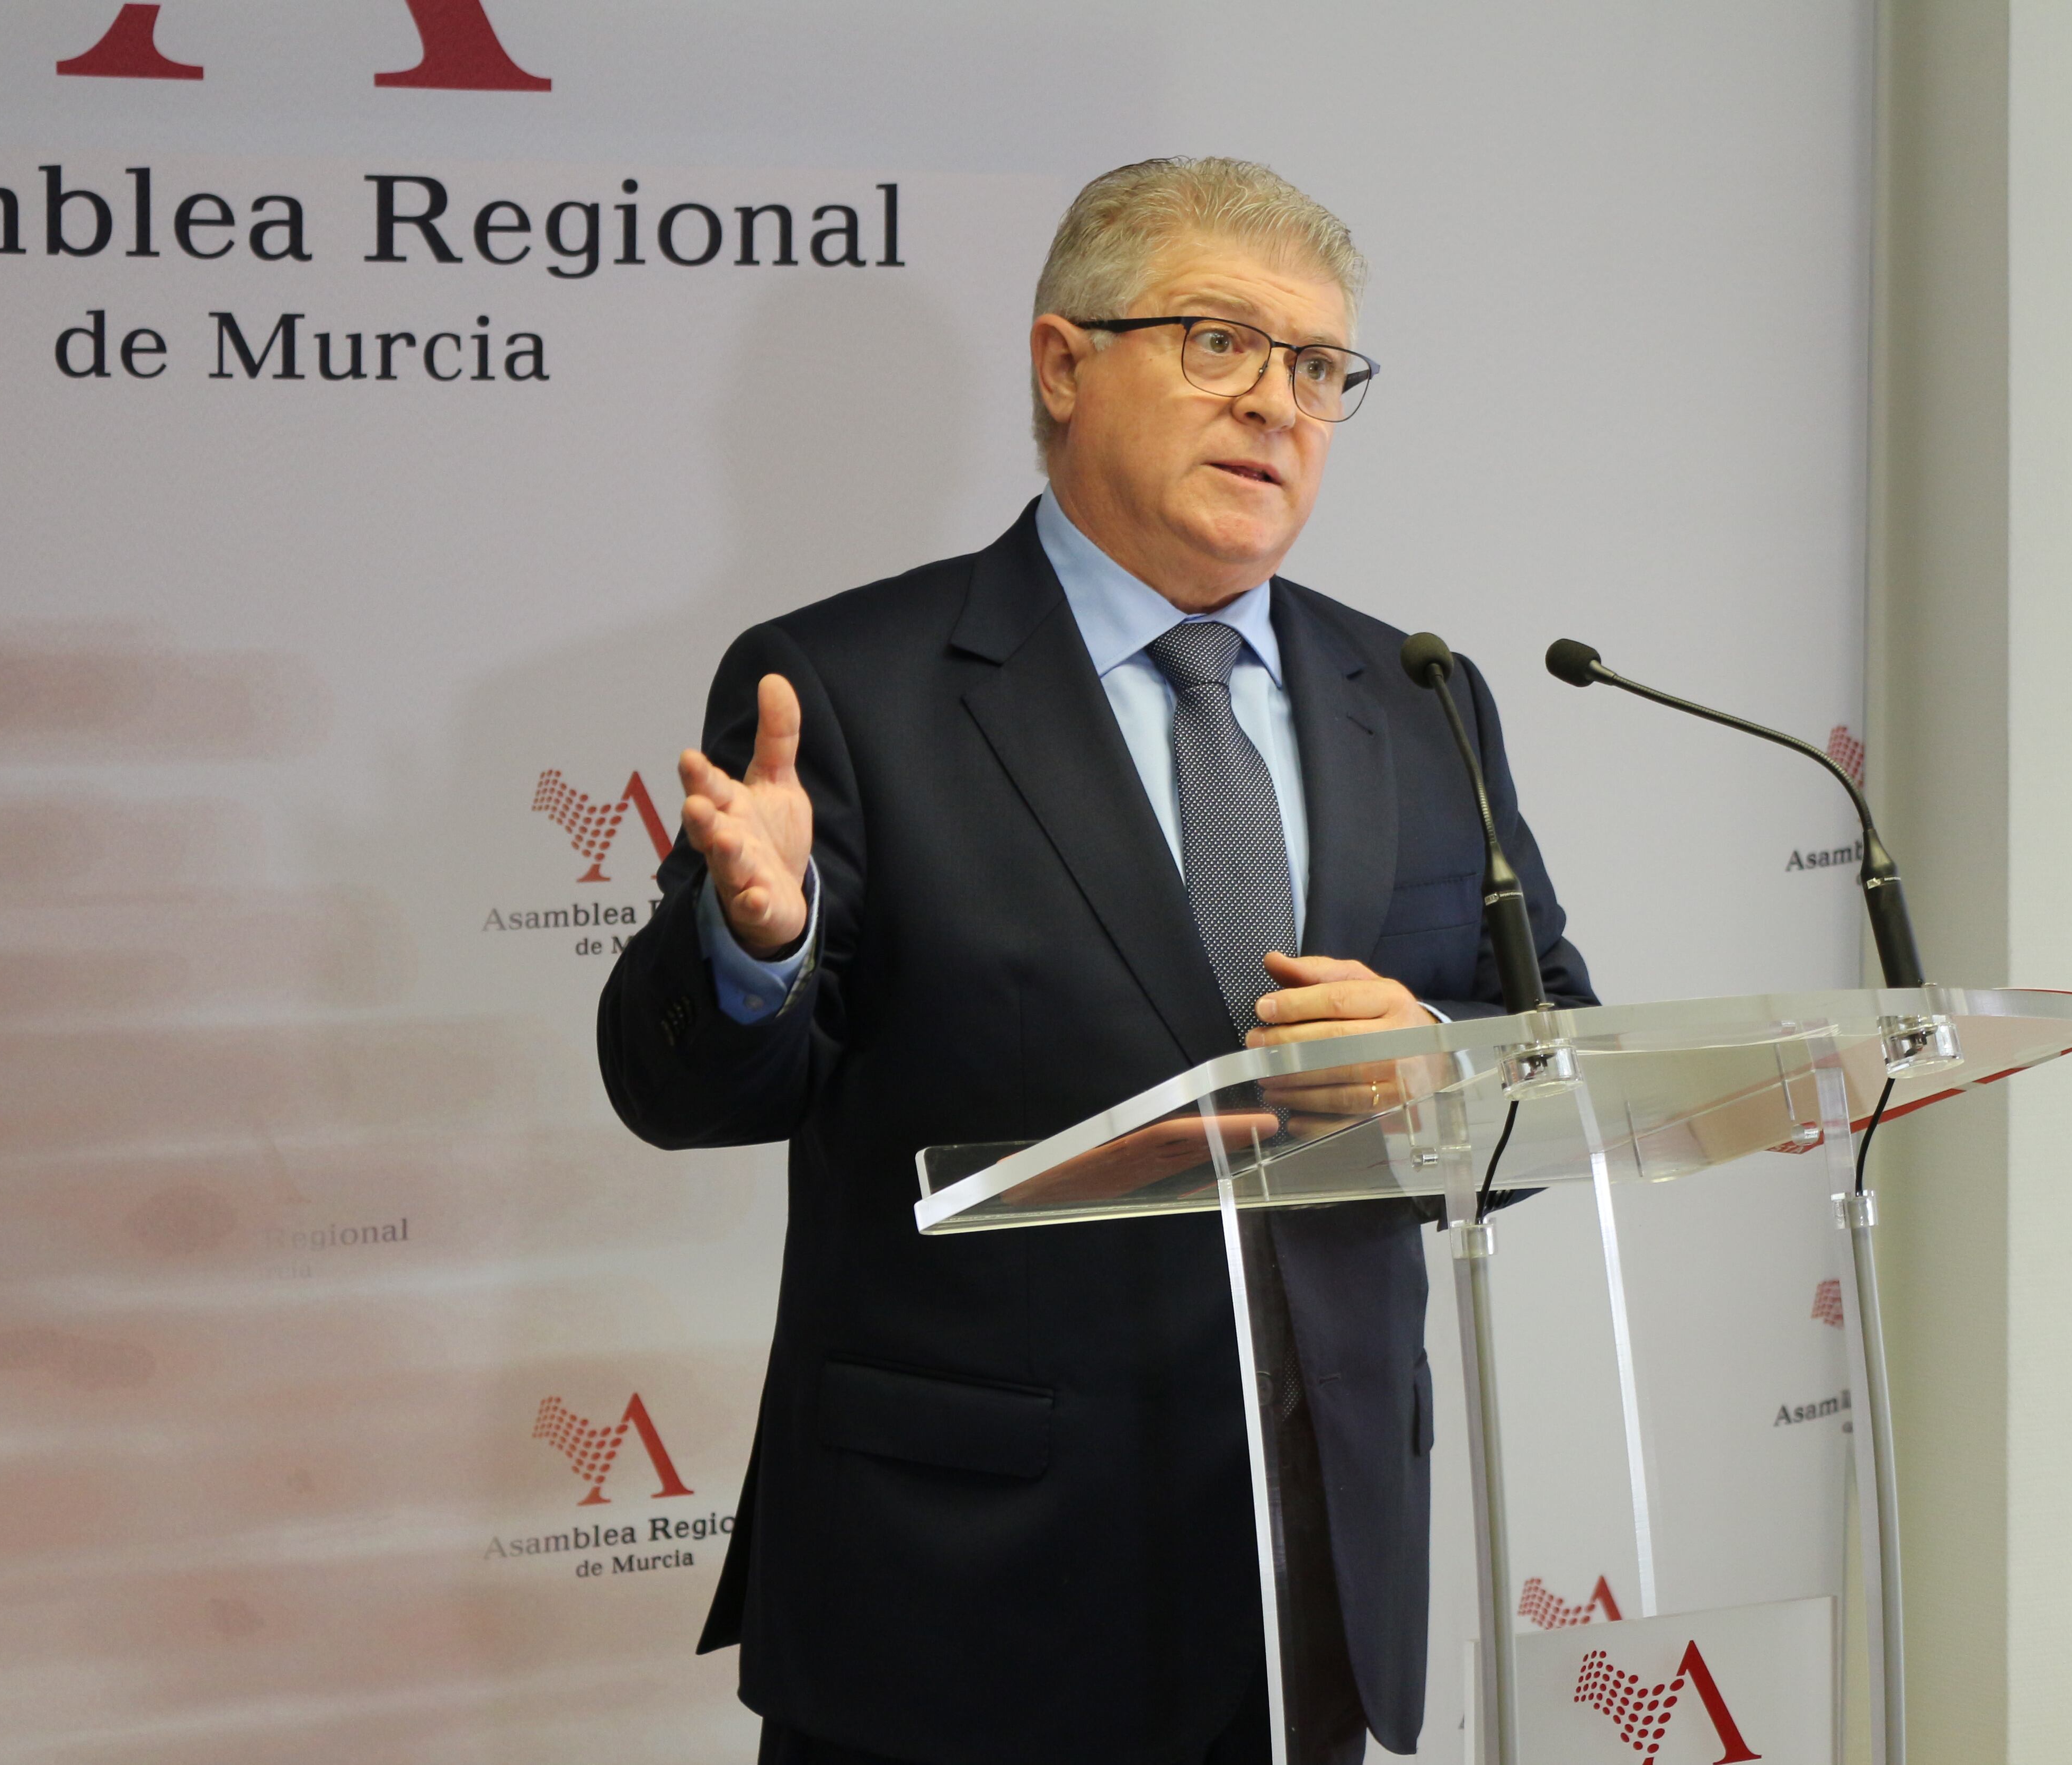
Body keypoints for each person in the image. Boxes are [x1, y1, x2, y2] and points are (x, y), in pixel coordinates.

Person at [597, 157, 1593, 1765]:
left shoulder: (1418, 695)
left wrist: (1438, 1063)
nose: (1278, 404)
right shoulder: (848, 686)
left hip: (1309, 1572)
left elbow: (1555, 1044)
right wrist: (755, 942)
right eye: (1219, 341)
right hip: (959, 1589)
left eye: (1320, 367)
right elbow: (682, 1090)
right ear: (1064, 364)